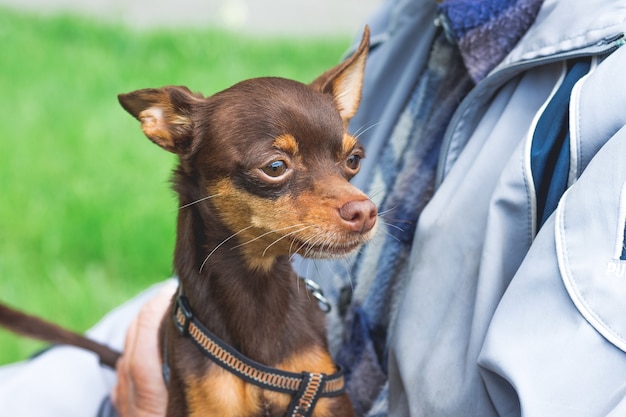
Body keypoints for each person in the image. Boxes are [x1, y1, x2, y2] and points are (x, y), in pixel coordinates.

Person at [2, 0, 626, 416]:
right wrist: (149, 334)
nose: (355, 202)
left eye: (349, 164)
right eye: (277, 169)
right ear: (164, 128)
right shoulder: (416, 19)